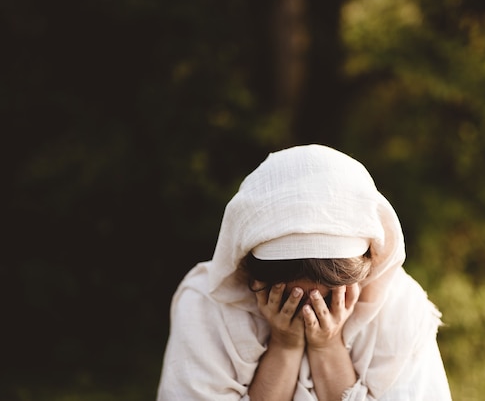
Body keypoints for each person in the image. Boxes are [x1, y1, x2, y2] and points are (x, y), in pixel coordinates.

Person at [157, 144, 453, 400]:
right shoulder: (205, 304)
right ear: (251, 273)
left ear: (366, 267)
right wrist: (284, 346)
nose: (310, 313)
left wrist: (327, 346)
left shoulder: (400, 312)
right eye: (289, 299)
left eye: (330, 298)